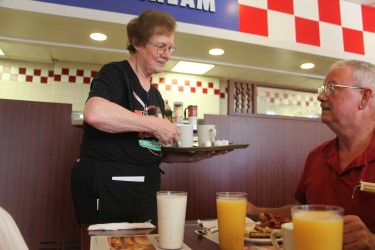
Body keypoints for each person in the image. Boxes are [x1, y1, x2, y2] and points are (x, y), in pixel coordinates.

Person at [71, 9, 225, 225]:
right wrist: (155, 123)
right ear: (137, 42)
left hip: (143, 190)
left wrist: (191, 156)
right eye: (160, 46)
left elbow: (149, 148)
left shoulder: (156, 96)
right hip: (109, 186)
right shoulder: (115, 73)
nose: (167, 54)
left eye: (170, 48)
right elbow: (95, 113)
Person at [246, 59, 375, 250]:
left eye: (332, 88)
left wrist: (372, 241)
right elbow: (306, 210)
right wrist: (257, 211)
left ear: (364, 96)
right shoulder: (317, 156)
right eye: (322, 88)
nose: (321, 97)